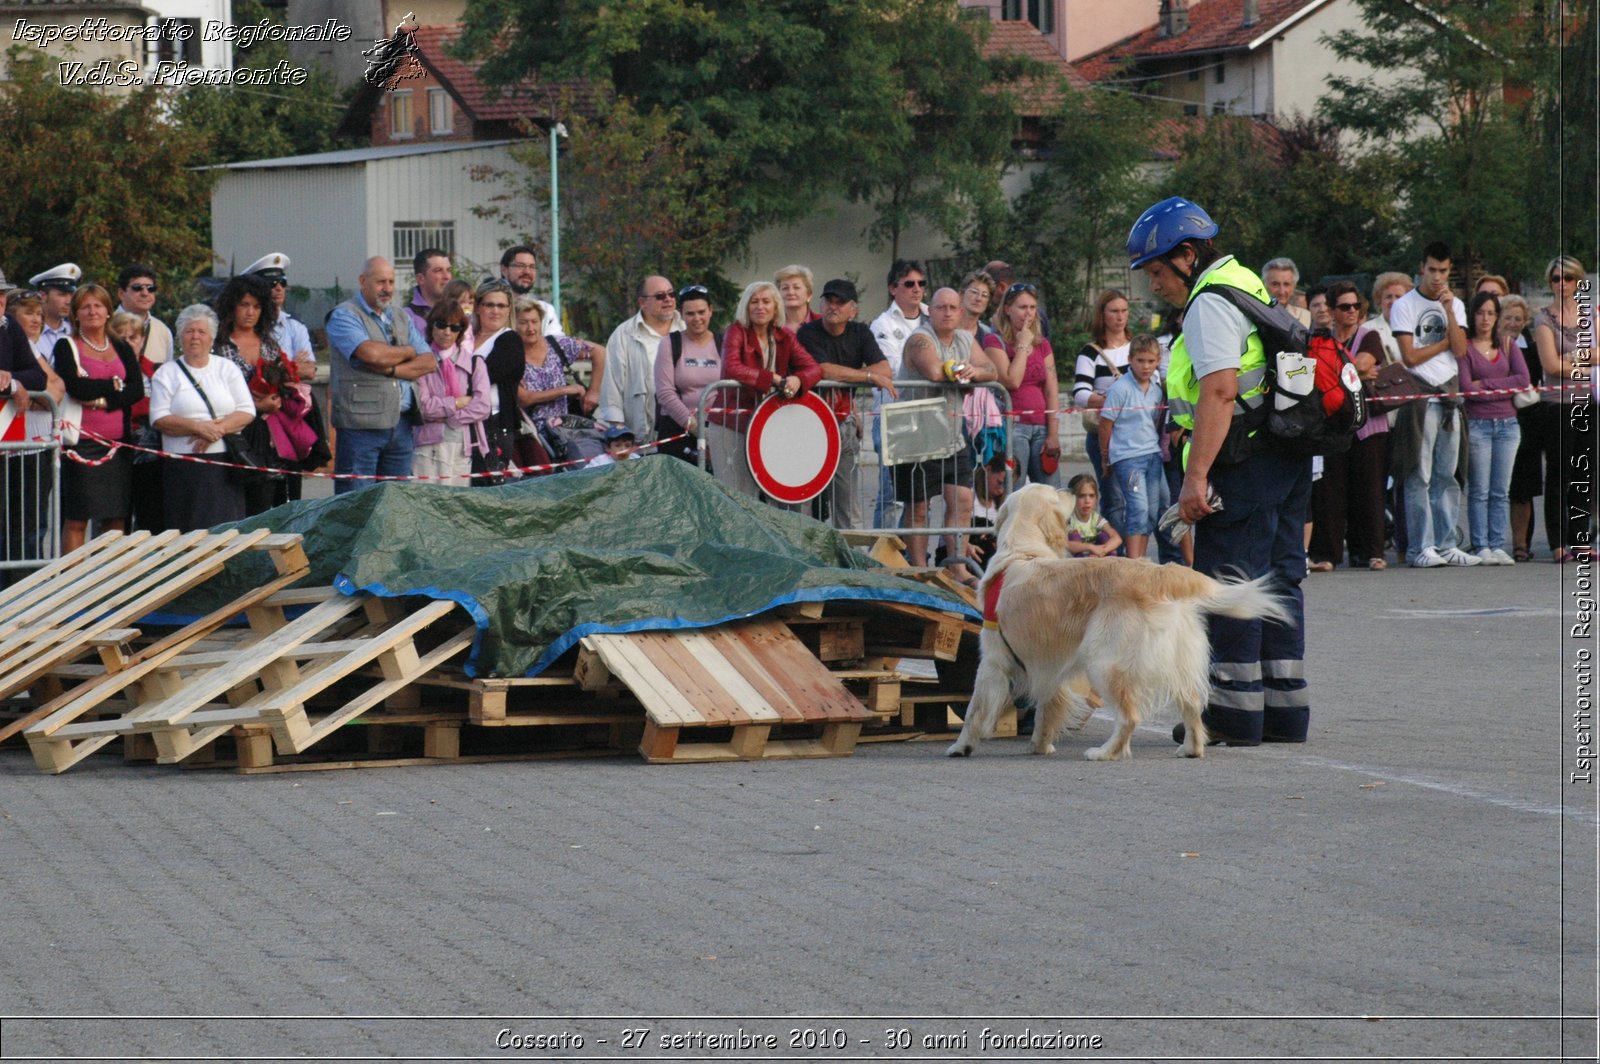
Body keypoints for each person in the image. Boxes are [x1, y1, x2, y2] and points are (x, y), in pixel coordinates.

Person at [1130, 195, 1310, 747]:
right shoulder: (1246, 280)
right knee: (1279, 581)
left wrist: (1194, 476)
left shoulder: (1209, 302)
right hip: (1284, 457)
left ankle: (1232, 717)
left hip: (1242, 461)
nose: (1153, 285)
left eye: (1157, 271)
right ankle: (1283, 713)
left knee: (1230, 583)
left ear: (1187, 255)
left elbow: (1220, 390)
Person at [893, 287, 1001, 577]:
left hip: (952, 433)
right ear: (931, 311)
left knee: (963, 500)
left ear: (961, 313)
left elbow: (992, 369)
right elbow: (935, 372)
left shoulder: (966, 339)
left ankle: (957, 567)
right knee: (918, 508)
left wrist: (976, 372)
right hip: (915, 432)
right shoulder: (919, 339)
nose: (948, 312)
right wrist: (967, 371)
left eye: (953, 308)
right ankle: (919, 570)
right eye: (941, 307)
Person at [1390, 241, 1475, 568]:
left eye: (1443, 270)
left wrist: (1450, 311)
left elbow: (1461, 351)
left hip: (1449, 396)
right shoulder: (1405, 305)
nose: (1437, 277)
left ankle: (1446, 543)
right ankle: (1420, 547)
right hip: (1420, 396)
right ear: (1422, 268)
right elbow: (1410, 356)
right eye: (1432, 270)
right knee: (1419, 475)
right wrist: (1445, 341)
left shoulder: (1455, 304)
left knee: (1447, 475)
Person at [326, 256, 437, 494]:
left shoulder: (400, 316)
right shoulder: (344, 315)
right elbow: (371, 354)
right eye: (380, 282)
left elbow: (428, 361)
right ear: (363, 281)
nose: (387, 288)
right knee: (356, 502)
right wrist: (408, 351)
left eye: (391, 281)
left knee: (396, 503)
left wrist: (392, 369)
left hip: (402, 424)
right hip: (360, 427)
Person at [707, 280, 821, 501]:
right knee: (736, 494)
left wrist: (798, 379)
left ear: (776, 306)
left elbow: (814, 368)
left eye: (766, 301)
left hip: (768, 424)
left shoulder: (785, 335)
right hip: (730, 423)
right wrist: (774, 378)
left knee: (770, 492)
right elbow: (731, 367)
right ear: (746, 307)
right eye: (754, 302)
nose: (760, 307)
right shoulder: (736, 331)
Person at [795, 278, 896, 529]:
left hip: (842, 422)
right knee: (803, 500)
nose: (833, 306)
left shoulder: (860, 332)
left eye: (840, 302)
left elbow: (886, 369)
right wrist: (868, 376)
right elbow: (824, 371)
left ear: (854, 309)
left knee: (847, 502)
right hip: (807, 424)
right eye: (829, 300)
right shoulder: (808, 332)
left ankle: (851, 560)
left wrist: (851, 376)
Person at [53, 284, 144, 552]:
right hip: (81, 444)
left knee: (116, 516)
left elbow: (136, 391)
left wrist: (100, 397)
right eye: (86, 306)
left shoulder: (120, 346)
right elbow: (77, 388)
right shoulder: (66, 345)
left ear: (108, 311)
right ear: (76, 313)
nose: (93, 311)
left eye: (98, 305)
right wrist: (115, 386)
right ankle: (73, 583)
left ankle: (110, 579)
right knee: (77, 517)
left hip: (118, 445)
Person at [148, 305, 254, 531]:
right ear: (180, 337)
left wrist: (216, 430)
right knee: (188, 528)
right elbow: (159, 418)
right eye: (189, 331)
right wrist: (198, 427)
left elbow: (246, 411)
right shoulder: (167, 373)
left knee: (226, 529)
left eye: (201, 331)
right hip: (184, 467)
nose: (195, 336)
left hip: (224, 464)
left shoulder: (227, 369)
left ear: (212, 338)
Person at [1309, 281, 1390, 570]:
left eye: (1356, 306)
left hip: (1369, 425)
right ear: (1331, 310)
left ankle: (1370, 551)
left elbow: (1363, 362)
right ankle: (1327, 553)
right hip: (1332, 425)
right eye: (1345, 307)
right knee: (1330, 491)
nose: (1352, 311)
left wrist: (1335, 371)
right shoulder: (1321, 338)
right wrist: (1353, 371)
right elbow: (1353, 369)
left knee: (1370, 490)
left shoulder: (1369, 336)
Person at [1457, 290, 1529, 564]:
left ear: (1497, 317)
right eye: (1480, 312)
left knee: (1501, 490)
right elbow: (1467, 389)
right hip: (1478, 425)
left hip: (1508, 425)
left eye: (1490, 313)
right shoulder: (1465, 349)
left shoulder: (1508, 345)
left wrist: (1485, 385)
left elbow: (1523, 380)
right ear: (1472, 315)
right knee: (1480, 490)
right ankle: (1481, 545)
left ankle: (1498, 543)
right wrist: (1502, 386)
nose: (1485, 318)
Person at [1533, 255, 1595, 562]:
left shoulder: (1588, 315)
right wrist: (1583, 364)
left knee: (1585, 471)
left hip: (1587, 401)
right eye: (1556, 279)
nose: (1562, 284)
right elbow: (1550, 365)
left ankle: (1581, 538)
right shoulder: (1544, 318)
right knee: (1559, 472)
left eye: (1568, 278)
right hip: (1558, 405)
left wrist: (1571, 361)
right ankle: (1558, 542)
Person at [500, 293, 592, 472]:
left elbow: (598, 352)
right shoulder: (511, 354)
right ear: (513, 324)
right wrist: (564, 390)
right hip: (532, 435)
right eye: (523, 322)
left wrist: (593, 391)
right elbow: (525, 399)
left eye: (534, 321)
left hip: (564, 428)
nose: (530, 328)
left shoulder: (556, 344)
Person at [868, 259, 929, 527]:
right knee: (891, 495)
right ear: (893, 288)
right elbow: (892, 370)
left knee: (921, 496)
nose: (916, 289)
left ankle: (908, 552)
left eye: (921, 283)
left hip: (928, 415)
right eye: (909, 284)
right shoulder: (881, 324)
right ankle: (881, 555)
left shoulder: (932, 317)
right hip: (893, 415)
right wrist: (932, 367)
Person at [982, 282, 1061, 487]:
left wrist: (1053, 433)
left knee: (1051, 492)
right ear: (1007, 309)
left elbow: (1052, 388)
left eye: (1032, 308)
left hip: (1042, 425)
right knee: (1014, 490)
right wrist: (1023, 345)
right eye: (1022, 307)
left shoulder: (1042, 344)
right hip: (1014, 425)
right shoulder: (994, 341)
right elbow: (1012, 380)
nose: (1028, 313)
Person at [1097, 334, 1166, 559]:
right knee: (1138, 509)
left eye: (1150, 361)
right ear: (1130, 360)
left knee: (1152, 512)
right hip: (1128, 457)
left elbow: (1155, 421)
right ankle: (1133, 563)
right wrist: (1105, 457)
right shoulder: (1121, 389)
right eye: (1140, 361)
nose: (1145, 366)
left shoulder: (1156, 388)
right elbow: (1105, 424)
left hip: (1152, 454)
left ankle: (1140, 561)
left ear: (1157, 361)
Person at [1074, 288, 1134, 534]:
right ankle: (1115, 554)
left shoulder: (1137, 347)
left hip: (1136, 432)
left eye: (1124, 311)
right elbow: (1079, 394)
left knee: (1149, 500)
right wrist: (1109, 399)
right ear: (1102, 314)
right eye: (1114, 311)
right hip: (1104, 433)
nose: (1120, 317)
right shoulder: (1090, 352)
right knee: (1114, 500)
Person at [412, 299, 490, 487]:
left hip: (464, 447)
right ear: (432, 327)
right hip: (427, 446)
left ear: (461, 331)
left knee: (456, 508)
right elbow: (423, 407)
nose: (447, 332)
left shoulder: (474, 363)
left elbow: (482, 406)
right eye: (441, 325)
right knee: (426, 505)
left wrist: (451, 418)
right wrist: (457, 403)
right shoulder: (420, 362)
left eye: (454, 327)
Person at [599, 275, 679, 437]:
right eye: (660, 296)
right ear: (642, 303)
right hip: (641, 439)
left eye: (671, 294)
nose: (668, 300)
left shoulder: (686, 328)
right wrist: (619, 435)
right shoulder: (623, 335)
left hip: (682, 432)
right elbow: (612, 390)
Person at [653, 284, 722, 467]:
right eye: (690, 314)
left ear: (710, 311)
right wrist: (695, 428)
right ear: (681, 314)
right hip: (678, 429)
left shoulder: (723, 343)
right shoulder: (670, 344)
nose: (696, 319)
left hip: (717, 431)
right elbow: (665, 393)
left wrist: (712, 435)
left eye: (701, 312)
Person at [1503, 293, 1547, 561]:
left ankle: (1522, 543)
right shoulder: (1492, 345)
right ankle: (1492, 541)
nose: (1513, 323)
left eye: (1518, 318)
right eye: (1508, 317)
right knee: (1499, 486)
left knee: (1525, 485)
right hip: (1497, 414)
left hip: (1529, 418)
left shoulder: (1531, 343)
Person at [244, 254, 317, 379]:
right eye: (272, 283)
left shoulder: (294, 325)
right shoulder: (247, 324)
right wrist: (292, 366)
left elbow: (309, 370)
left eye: (283, 282)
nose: (279, 288)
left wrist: (273, 371)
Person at [496, 245, 564, 335]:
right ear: (504, 270)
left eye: (532, 267)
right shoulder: (490, 308)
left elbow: (557, 343)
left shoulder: (546, 311)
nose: (527, 272)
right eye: (520, 266)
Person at [115, 264, 173, 367]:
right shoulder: (104, 325)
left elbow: (167, 374)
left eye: (151, 288)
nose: (145, 293)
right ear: (121, 293)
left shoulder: (163, 332)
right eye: (137, 288)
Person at [1064, 473, 1122, 558]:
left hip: (1094, 556)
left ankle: (1109, 567)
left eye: (1091, 496)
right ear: (1072, 498)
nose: (1087, 501)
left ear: (1096, 499)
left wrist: (1102, 551)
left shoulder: (1096, 518)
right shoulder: (1069, 519)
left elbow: (1117, 538)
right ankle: (1081, 569)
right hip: (1076, 562)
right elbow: (1065, 545)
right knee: (1074, 536)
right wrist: (1090, 547)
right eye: (1081, 496)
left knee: (1105, 537)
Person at [403, 247, 454, 340]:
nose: (447, 276)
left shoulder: (461, 308)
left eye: (448, 270)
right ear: (420, 279)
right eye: (438, 270)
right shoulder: (406, 317)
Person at [30, 263, 80, 351]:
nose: (69, 301)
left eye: (71, 295)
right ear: (43, 296)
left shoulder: (75, 330)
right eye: (62, 295)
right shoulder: (29, 331)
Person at [1261, 257, 1312, 327]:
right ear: (1264, 285)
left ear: (1294, 287)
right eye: (1275, 284)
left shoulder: (1306, 317)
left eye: (1286, 284)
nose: (1281, 291)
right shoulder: (1256, 313)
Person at [775, 264, 820, 331]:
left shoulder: (823, 323)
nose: (791, 292)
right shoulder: (770, 325)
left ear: (809, 294)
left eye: (796, 287)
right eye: (785, 288)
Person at [957, 270, 997, 341]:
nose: (979, 298)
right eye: (974, 292)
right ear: (961, 294)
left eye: (984, 295)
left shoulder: (987, 335)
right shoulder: (946, 327)